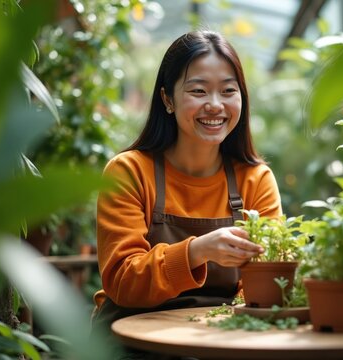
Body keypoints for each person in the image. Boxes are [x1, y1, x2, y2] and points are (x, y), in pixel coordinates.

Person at [91, 30, 282, 349]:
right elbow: (123, 282)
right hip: (130, 345)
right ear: (167, 99)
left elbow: (269, 278)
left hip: (221, 341)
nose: (215, 105)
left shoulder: (255, 179)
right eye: (198, 90)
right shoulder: (129, 171)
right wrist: (196, 251)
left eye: (228, 90)